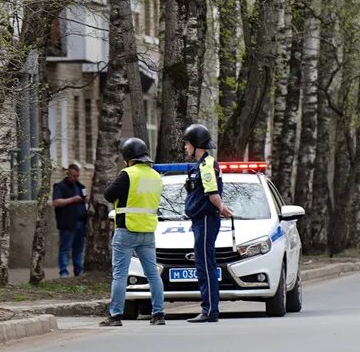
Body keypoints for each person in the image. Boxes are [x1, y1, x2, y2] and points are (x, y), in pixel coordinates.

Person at [100, 137, 166, 327]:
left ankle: (115, 316)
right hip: (147, 231)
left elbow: (108, 195)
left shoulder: (127, 174)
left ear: (128, 157)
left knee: (120, 274)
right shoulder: (155, 176)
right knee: (153, 274)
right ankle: (159, 314)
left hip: (126, 230)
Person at [182, 123, 232, 323]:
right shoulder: (203, 164)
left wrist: (221, 208)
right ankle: (209, 308)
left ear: (196, 144)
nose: (185, 147)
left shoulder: (207, 165)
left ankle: (209, 310)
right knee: (203, 263)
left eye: (187, 143)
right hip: (201, 219)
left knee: (205, 265)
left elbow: (211, 193)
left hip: (205, 219)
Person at [51, 162, 88, 277]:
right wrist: (72, 199)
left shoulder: (81, 187)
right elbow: (56, 202)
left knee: (78, 249)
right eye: (73, 176)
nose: (75, 178)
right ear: (68, 174)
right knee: (65, 248)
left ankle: (78, 271)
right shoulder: (60, 186)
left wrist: (86, 200)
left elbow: (84, 199)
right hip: (67, 222)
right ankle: (63, 272)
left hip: (81, 222)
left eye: (77, 176)